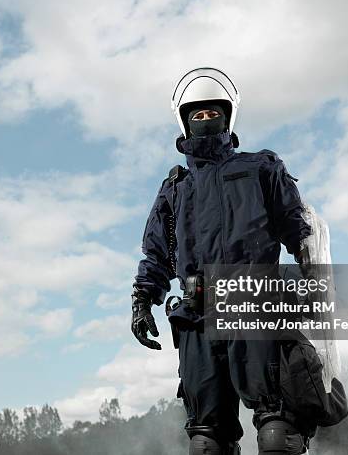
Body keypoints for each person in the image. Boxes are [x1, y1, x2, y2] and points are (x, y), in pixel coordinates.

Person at [131, 68, 321, 455]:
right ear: (183, 121)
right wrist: (141, 301)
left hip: (254, 306)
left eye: (211, 112)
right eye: (196, 115)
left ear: (227, 115)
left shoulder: (261, 168)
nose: (204, 120)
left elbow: (297, 230)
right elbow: (156, 254)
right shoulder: (175, 188)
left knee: (277, 432)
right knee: (206, 440)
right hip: (197, 316)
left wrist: (314, 280)